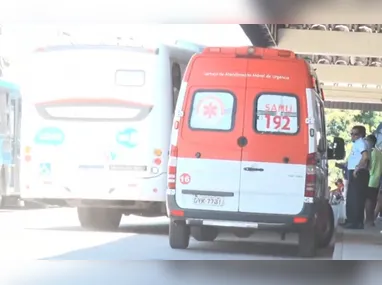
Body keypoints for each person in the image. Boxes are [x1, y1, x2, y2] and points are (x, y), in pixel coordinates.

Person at [344, 125, 370, 229]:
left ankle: (353, 221)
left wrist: (356, 169)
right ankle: (356, 221)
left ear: (362, 135)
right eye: (352, 134)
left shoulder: (360, 143)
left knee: (354, 198)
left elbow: (365, 157)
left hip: (358, 173)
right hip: (359, 172)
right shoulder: (362, 143)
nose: (353, 136)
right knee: (357, 197)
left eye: (356, 134)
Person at [364, 134, 382, 227]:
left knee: (368, 200)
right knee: (373, 199)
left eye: (366, 140)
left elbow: (372, 167)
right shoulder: (379, 152)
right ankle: (370, 220)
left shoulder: (373, 152)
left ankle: (369, 220)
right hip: (377, 179)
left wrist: (367, 173)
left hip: (371, 179)